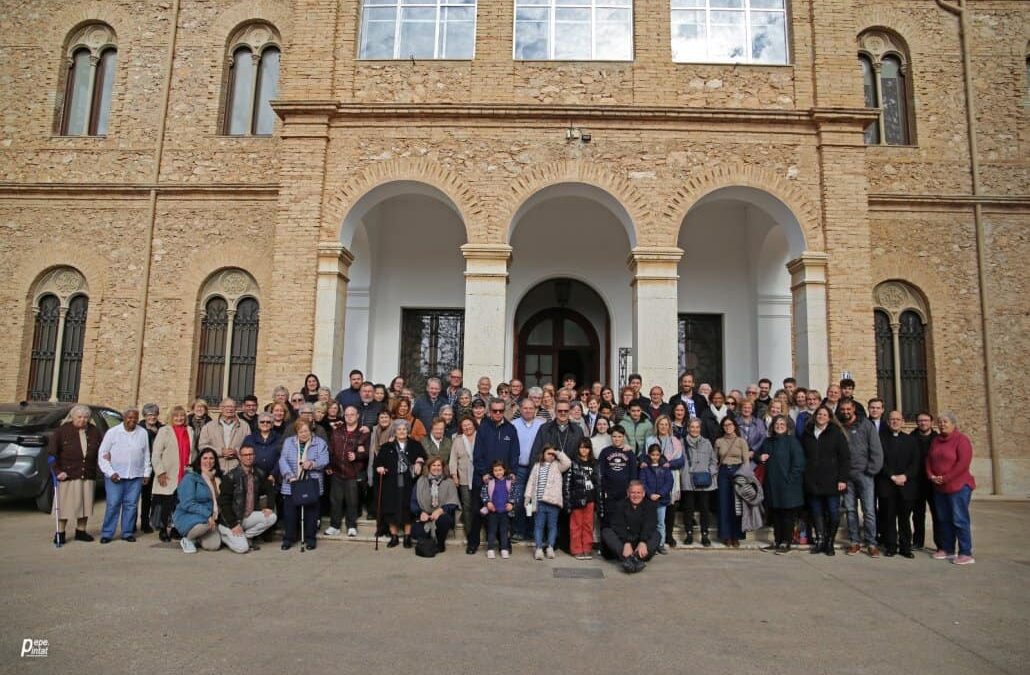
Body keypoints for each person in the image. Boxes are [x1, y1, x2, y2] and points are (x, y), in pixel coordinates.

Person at [468, 398, 519, 554]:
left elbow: (515, 454)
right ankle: (473, 543)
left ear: (504, 411)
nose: (498, 413)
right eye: (495, 411)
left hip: (504, 480)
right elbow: (477, 454)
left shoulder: (511, 429)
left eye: (501, 411)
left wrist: (511, 474)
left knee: (503, 512)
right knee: (477, 511)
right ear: (490, 411)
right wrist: (484, 473)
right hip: (484, 478)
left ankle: (505, 543)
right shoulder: (483, 429)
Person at [48, 404, 102, 544]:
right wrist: (58, 471)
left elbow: (101, 452)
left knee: (85, 506)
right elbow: (52, 455)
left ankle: (81, 531)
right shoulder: (61, 431)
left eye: (86, 417)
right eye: (79, 417)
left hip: (87, 473)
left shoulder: (94, 431)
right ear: (72, 417)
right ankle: (60, 532)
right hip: (68, 474)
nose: (83, 420)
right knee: (64, 506)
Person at [927, 412, 976, 564]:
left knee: (959, 519)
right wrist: (931, 476)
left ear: (953, 424)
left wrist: (946, 478)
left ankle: (965, 552)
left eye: (945, 422)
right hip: (940, 487)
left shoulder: (962, 440)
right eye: (940, 422)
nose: (942, 424)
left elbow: (963, 463)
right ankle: (947, 549)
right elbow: (929, 459)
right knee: (943, 519)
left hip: (958, 486)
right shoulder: (936, 440)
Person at [97, 408, 151, 544]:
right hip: (116, 475)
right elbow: (103, 455)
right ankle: (107, 533)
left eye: (135, 418)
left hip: (135, 475)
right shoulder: (113, 433)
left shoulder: (142, 433)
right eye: (129, 417)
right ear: (124, 418)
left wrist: (146, 473)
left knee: (131, 505)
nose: (132, 420)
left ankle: (127, 532)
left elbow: (146, 454)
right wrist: (110, 472)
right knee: (113, 504)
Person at [801, 406, 850, 556]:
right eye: (819, 414)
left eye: (824, 414)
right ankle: (820, 541)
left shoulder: (836, 433)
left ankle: (830, 542)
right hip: (812, 479)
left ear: (829, 417)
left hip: (832, 479)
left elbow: (845, 458)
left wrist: (842, 478)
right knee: (816, 512)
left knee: (833, 513)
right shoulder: (807, 433)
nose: (821, 416)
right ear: (815, 416)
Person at [839, 400, 884, 557]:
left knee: (869, 510)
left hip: (865, 474)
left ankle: (871, 543)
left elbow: (876, 449)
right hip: (847, 476)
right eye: (843, 409)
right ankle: (854, 542)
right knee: (850, 510)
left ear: (853, 410)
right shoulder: (839, 426)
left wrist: (871, 470)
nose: (845, 411)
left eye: (848, 409)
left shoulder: (866, 425)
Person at [374, 420, 427, 548]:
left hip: (409, 481)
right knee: (391, 507)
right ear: (395, 432)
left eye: (404, 429)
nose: (402, 431)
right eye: (399, 429)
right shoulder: (387, 446)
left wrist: (419, 462)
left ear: (408, 431)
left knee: (407, 506)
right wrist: (380, 467)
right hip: (391, 481)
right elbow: (378, 461)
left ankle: (408, 536)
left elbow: (422, 456)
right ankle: (394, 536)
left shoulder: (415, 444)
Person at [278, 420, 329, 551]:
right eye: (300, 432)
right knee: (290, 514)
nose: (304, 434)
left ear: (311, 431)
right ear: (296, 432)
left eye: (306, 431)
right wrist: (290, 476)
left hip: (310, 483)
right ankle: (288, 538)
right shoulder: (289, 442)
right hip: (292, 483)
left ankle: (310, 539)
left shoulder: (320, 443)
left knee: (311, 514)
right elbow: (283, 459)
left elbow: (324, 460)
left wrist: (312, 463)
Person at [217, 444, 277, 553]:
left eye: (251, 454)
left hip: (247, 516)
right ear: (240, 457)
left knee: (271, 517)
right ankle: (224, 536)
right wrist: (233, 524)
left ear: (254, 456)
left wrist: (269, 506)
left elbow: (270, 489)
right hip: (230, 520)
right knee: (242, 548)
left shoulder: (259, 473)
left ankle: (246, 536)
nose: (248, 457)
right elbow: (224, 502)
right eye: (245, 455)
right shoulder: (230, 477)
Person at [759, 415, 806, 554]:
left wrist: (790, 479)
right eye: (777, 424)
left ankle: (786, 541)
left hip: (788, 485)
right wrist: (759, 457)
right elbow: (759, 454)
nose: (779, 426)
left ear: (787, 426)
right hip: (772, 484)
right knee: (776, 514)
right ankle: (777, 540)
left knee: (787, 515)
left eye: (782, 424)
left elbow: (799, 463)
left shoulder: (792, 442)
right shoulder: (767, 442)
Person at [877, 411, 921, 558]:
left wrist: (905, 476)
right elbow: (880, 461)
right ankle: (890, 546)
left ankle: (905, 547)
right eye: (892, 420)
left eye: (898, 419)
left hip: (906, 486)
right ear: (888, 422)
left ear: (903, 422)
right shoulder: (880, 439)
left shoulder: (911, 440)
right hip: (887, 484)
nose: (895, 422)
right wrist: (891, 476)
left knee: (904, 519)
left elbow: (915, 463)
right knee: (888, 518)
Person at [150, 406, 195, 542]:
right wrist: (160, 472)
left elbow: (193, 451)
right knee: (166, 503)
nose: (179, 418)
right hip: (168, 473)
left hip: (185, 472)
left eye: (182, 416)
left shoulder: (190, 430)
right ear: (171, 417)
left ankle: (176, 529)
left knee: (180, 503)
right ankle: (163, 529)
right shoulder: (164, 431)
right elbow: (156, 454)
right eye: (176, 416)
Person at [326, 405, 369, 538]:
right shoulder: (337, 431)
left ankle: (351, 526)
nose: (349, 417)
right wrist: (328, 465)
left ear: (357, 416)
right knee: (336, 500)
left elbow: (367, 453)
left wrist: (357, 456)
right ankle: (334, 525)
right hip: (337, 470)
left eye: (352, 414)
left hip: (353, 471)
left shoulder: (363, 432)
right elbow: (330, 449)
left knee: (352, 501)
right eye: (346, 415)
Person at [525, 444, 571, 560]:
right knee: (539, 526)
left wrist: (557, 453)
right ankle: (539, 548)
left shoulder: (557, 466)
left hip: (553, 503)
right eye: (548, 453)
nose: (551, 456)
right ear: (543, 454)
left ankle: (550, 546)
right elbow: (531, 482)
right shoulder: (536, 466)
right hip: (539, 502)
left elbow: (568, 463)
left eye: (552, 454)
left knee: (552, 526)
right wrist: (527, 497)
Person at [601, 481, 660, 573]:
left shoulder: (650, 506)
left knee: (657, 534)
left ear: (643, 493)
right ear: (628, 493)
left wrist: (643, 541)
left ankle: (633, 559)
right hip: (623, 543)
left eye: (638, 492)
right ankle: (631, 560)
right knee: (606, 532)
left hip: (640, 542)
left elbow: (650, 525)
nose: (635, 495)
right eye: (633, 492)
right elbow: (617, 526)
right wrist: (626, 542)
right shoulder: (619, 505)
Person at [645, 415, 685, 548]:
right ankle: (655, 538)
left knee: (670, 507)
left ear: (669, 426)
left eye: (666, 424)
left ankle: (668, 535)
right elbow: (646, 457)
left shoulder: (675, 441)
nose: (663, 427)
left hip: (670, 474)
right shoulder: (650, 440)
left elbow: (681, 460)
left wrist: (668, 464)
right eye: (661, 424)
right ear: (657, 426)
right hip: (653, 475)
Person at [172, 448, 223, 553]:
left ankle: (198, 536)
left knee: (214, 546)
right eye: (205, 458)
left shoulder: (217, 478)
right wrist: (208, 515)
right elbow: (187, 503)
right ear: (199, 460)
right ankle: (188, 539)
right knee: (205, 524)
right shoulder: (191, 477)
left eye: (211, 458)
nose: (208, 461)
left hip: (210, 518)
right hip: (188, 515)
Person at [410, 455, 460, 553]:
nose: (436, 468)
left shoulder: (449, 482)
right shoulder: (421, 481)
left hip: (442, 515)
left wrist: (440, 511)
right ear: (428, 467)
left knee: (443, 521)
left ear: (443, 467)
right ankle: (429, 541)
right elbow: (413, 502)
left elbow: (453, 503)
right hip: (425, 514)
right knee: (416, 531)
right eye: (433, 465)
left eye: (439, 465)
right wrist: (420, 513)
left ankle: (440, 543)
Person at [681, 418, 717, 546]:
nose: (695, 429)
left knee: (704, 509)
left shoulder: (707, 443)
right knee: (688, 509)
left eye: (697, 427)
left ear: (700, 429)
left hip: (704, 480)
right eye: (692, 427)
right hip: (689, 480)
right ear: (688, 428)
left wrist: (710, 472)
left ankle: (705, 535)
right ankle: (689, 534)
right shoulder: (682, 442)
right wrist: (684, 474)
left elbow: (714, 460)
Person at [512, 398, 544, 541]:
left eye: (531, 408)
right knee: (519, 500)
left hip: (536, 467)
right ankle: (519, 530)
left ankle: (531, 530)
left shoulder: (542, 425)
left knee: (533, 500)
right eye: (525, 408)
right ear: (520, 409)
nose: (528, 410)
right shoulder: (513, 425)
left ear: (535, 409)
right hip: (519, 468)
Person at [909, 411, 940, 551]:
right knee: (917, 514)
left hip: (933, 482)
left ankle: (940, 543)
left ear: (931, 422)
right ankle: (917, 541)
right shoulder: (911, 437)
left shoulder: (938, 439)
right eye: (920, 420)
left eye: (926, 420)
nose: (923, 423)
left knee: (937, 514)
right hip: (916, 482)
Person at [715, 416, 748, 547]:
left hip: (738, 472)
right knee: (724, 504)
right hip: (723, 472)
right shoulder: (718, 441)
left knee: (737, 505)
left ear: (735, 426)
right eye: (725, 425)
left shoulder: (741, 441)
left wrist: (745, 477)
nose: (728, 427)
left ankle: (737, 535)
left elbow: (746, 461)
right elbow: (715, 459)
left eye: (730, 424)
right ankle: (726, 535)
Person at [597, 426, 638, 528]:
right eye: (614, 436)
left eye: (619, 436)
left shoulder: (629, 453)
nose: (617, 439)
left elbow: (633, 473)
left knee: (623, 519)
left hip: (624, 492)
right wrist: (603, 488)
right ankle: (607, 542)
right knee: (608, 519)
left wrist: (631, 491)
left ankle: (621, 542)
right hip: (609, 492)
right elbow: (600, 472)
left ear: (623, 437)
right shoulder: (605, 452)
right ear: (611, 437)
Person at [565, 438, 599, 560]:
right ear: (578, 449)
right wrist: (568, 502)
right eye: (581, 447)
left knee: (588, 525)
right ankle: (577, 549)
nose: (584, 450)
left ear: (590, 449)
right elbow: (568, 484)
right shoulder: (573, 463)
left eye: (586, 447)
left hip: (590, 500)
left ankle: (587, 549)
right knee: (576, 525)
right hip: (577, 500)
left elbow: (598, 483)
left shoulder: (595, 463)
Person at [638, 444, 674, 554]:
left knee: (660, 523)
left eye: (657, 455)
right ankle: (650, 544)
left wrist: (660, 494)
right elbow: (642, 483)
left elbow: (669, 482)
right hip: (648, 501)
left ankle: (661, 544)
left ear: (660, 455)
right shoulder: (645, 468)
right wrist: (650, 494)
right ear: (649, 455)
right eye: (653, 455)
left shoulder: (665, 468)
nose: (655, 457)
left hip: (661, 501)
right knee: (649, 523)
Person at [198, 398, 250, 473]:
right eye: (226, 407)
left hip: (237, 467)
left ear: (236, 408)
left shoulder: (244, 426)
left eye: (232, 407)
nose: (229, 409)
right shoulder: (209, 426)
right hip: (216, 467)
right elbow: (202, 446)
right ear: (220, 408)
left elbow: (249, 445)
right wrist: (221, 452)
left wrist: (236, 451)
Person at [479, 460, 515, 559]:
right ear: (492, 471)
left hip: (504, 511)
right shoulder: (489, 482)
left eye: (500, 470)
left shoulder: (509, 482)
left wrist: (511, 503)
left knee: (504, 531)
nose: (498, 472)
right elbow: (484, 493)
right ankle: (490, 549)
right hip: (493, 511)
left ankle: (504, 549)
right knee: (491, 531)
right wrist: (488, 502)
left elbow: (514, 494)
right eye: (495, 470)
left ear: (504, 470)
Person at [449, 416, 477, 536]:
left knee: (478, 505)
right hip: (464, 478)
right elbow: (453, 460)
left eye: (469, 424)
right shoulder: (458, 440)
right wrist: (455, 475)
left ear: (474, 424)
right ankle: (470, 533)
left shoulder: (481, 437)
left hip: (479, 477)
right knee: (467, 505)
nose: (467, 427)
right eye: (464, 425)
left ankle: (480, 531)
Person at [138, 403, 162, 534]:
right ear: (145, 416)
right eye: (149, 415)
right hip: (143, 467)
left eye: (154, 414)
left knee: (156, 496)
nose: (152, 417)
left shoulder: (162, 428)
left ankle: (153, 521)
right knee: (144, 496)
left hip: (158, 466)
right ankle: (142, 522)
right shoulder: (139, 429)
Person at [244, 412, 283, 482]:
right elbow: (245, 456)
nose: (265, 424)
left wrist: (273, 474)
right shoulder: (249, 438)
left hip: (274, 477)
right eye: (262, 422)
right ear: (258, 424)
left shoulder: (279, 438)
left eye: (268, 422)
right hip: (254, 476)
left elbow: (281, 458)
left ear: (272, 424)